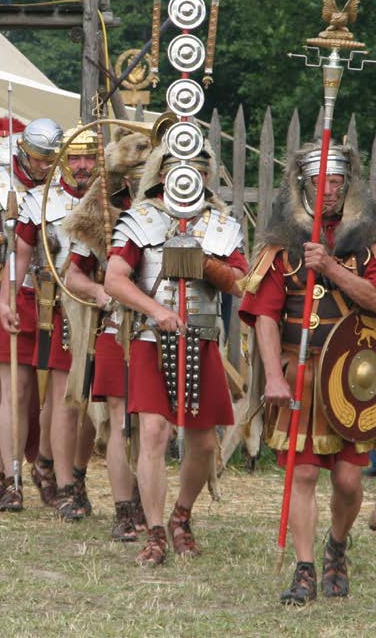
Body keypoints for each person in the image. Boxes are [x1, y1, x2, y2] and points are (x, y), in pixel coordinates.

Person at [239, 141, 376, 604]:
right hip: (302, 375)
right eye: (320, 181)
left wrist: (330, 267)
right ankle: (306, 567)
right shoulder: (282, 241)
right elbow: (264, 314)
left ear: (347, 185)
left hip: (356, 374)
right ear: (304, 183)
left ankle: (337, 546)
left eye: (336, 181)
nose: (328, 190)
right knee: (304, 474)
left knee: (350, 481)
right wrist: (273, 376)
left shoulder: (371, 240)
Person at [103, 145, 247, 566]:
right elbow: (114, 280)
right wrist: (156, 310)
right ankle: (153, 531)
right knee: (153, 433)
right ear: (162, 175)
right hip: (150, 339)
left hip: (200, 338)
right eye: (179, 170)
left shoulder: (220, 225)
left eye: (197, 170)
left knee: (202, 441)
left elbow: (243, 284)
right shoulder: (141, 218)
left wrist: (210, 266)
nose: (187, 178)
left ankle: (180, 517)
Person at [0, 117, 62, 512]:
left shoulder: (63, 187)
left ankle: (47, 469)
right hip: (9, 292)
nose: (43, 167)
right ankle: (7, 475)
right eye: (37, 159)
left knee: (55, 393)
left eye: (48, 160)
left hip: (55, 295)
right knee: (11, 391)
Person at [0, 124, 98, 519]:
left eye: (89, 157)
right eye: (76, 157)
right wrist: (6, 299)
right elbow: (19, 253)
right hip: (32, 297)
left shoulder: (106, 202)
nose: (83, 165)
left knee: (67, 398)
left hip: (80, 305)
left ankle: (60, 481)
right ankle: (10, 480)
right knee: (19, 393)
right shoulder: (39, 201)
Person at [63, 129, 154, 540]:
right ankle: (123, 509)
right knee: (119, 418)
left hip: (160, 325)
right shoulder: (101, 210)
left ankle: (150, 506)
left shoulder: (173, 209)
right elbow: (75, 275)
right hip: (116, 326)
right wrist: (102, 292)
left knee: (153, 424)